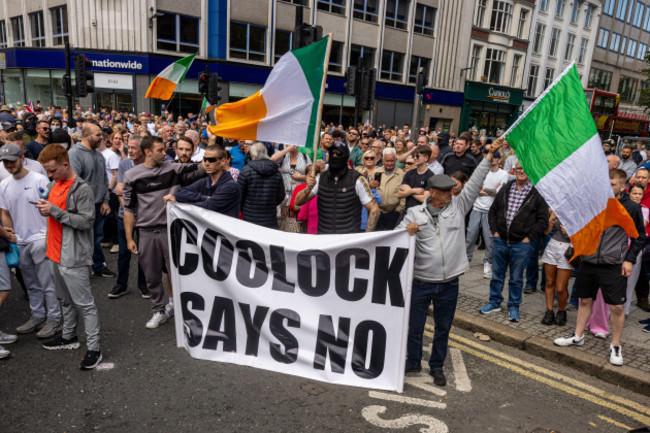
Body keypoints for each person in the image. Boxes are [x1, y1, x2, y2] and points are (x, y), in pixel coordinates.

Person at [398, 141, 501, 386]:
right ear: (433, 193)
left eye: (452, 190)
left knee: (443, 329)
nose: (451, 194)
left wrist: (488, 157)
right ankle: (412, 362)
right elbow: (395, 239)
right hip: (422, 281)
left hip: (449, 283)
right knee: (415, 328)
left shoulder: (458, 205)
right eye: (446, 191)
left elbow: (475, 182)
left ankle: (436, 367)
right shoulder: (414, 214)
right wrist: (406, 231)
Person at [554, 169, 645, 366]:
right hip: (589, 261)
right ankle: (578, 336)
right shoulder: (593, 202)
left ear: (622, 186)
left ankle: (616, 345)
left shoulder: (631, 208)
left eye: (612, 184)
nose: (607, 186)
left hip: (613, 264)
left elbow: (640, 238)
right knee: (584, 300)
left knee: (617, 307)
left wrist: (629, 259)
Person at [122, 136, 206, 329]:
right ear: (148, 152)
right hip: (146, 232)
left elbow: (202, 167)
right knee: (151, 275)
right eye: (160, 150)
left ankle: (185, 310)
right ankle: (159, 310)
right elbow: (128, 209)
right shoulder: (131, 176)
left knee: (179, 273)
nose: (165, 153)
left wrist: (212, 145)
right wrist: (129, 238)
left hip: (172, 230)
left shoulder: (173, 168)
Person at [35, 144, 103, 370]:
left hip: (73, 255)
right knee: (64, 300)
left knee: (85, 304)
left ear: (66, 164)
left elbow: (86, 221)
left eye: (53, 170)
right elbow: (54, 215)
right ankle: (69, 336)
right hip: (54, 252)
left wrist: (53, 211)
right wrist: (45, 208)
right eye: (47, 171)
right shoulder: (53, 184)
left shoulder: (82, 189)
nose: (49, 175)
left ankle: (94, 349)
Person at [0, 143, 62, 338]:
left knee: (48, 282)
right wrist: (12, 236)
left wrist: (47, 237)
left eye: (12, 161)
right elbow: (5, 212)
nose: (9, 165)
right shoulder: (4, 185)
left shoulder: (39, 180)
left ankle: (55, 319)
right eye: (5, 162)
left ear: (21, 158)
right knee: (30, 283)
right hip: (21, 241)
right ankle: (38, 315)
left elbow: (49, 208)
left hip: (40, 239)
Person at [480, 162, 549, 322]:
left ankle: (513, 306)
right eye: (518, 168)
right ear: (514, 170)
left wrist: (528, 238)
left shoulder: (537, 193)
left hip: (521, 244)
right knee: (497, 275)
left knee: (516, 278)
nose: (521, 171)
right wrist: (495, 232)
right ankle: (494, 302)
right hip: (501, 240)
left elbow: (542, 221)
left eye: (524, 168)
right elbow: (493, 211)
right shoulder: (506, 187)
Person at [296, 141, 380, 234]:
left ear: (346, 157)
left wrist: (366, 237)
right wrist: (308, 188)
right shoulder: (321, 178)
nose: (335, 156)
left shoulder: (357, 179)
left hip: (347, 240)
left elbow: (374, 209)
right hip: (324, 237)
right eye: (332, 153)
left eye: (338, 154)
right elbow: (298, 201)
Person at [68, 123, 115, 278]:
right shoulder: (74, 154)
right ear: (86, 135)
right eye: (98, 135)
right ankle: (81, 269)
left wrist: (106, 201)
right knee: (82, 239)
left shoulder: (99, 155)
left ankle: (98, 266)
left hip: (99, 205)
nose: (101, 138)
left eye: (101, 135)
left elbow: (104, 180)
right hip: (83, 207)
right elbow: (74, 182)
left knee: (96, 237)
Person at [108, 135, 149, 299]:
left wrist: (125, 191)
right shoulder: (124, 163)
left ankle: (144, 285)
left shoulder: (149, 165)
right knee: (123, 253)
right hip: (124, 216)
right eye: (128, 148)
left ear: (143, 150)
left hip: (145, 217)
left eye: (133, 148)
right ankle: (121, 284)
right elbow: (119, 192)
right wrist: (130, 213)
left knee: (144, 253)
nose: (130, 151)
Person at [165, 145, 241, 217]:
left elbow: (208, 206)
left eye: (211, 160)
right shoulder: (205, 181)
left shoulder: (231, 186)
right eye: (205, 159)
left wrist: (180, 203)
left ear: (223, 161)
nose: (207, 163)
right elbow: (180, 193)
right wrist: (204, 198)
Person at [465, 150, 508, 279]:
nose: (493, 159)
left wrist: (483, 190)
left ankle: (487, 262)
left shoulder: (503, 174)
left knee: (489, 239)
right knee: (470, 235)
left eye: (496, 157)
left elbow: (499, 192)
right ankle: (466, 259)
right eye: (492, 157)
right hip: (477, 207)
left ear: (500, 160)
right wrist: (490, 190)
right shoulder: (482, 171)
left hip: (491, 210)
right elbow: (474, 188)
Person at [238, 142, 285, 229]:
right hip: (269, 218)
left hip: (249, 218)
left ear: (252, 154)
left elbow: (239, 196)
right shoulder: (276, 172)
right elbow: (281, 196)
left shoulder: (245, 171)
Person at [540, 211, 573, 326]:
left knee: (560, 287)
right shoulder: (558, 207)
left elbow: (588, 233)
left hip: (568, 249)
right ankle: (549, 311)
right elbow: (546, 232)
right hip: (552, 246)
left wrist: (570, 234)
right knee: (549, 282)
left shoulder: (581, 210)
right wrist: (550, 221)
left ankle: (561, 311)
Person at [375, 148, 405, 230]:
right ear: (382, 160)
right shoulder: (376, 172)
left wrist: (398, 210)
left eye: (391, 161)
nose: (389, 163)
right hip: (378, 212)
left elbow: (404, 195)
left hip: (393, 213)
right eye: (387, 161)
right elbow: (372, 191)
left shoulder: (401, 174)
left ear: (395, 160)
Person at [399, 145, 433, 211]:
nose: (414, 158)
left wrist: (408, 191)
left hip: (421, 213)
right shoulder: (409, 173)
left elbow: (424, 199)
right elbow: (399, 194)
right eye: (414, 156)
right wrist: (413, 191)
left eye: (417, 156)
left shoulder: (430, 176)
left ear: (426, 158)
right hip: (407, 211)